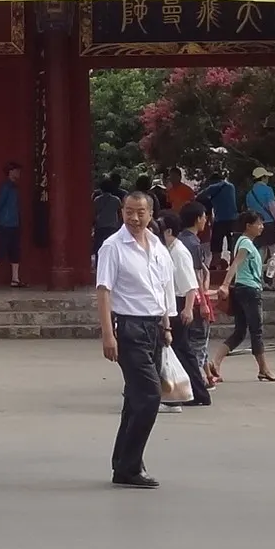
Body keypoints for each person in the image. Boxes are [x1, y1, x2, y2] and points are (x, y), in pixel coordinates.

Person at [94, 189, 177, 487]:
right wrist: (107, 333)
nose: (134, 218)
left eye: (140, 212)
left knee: (134, 398)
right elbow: (104, 290)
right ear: (122, 213)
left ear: (151, 213)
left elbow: (161, 288)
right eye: (129, 211)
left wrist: (166, 325)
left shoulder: (156, 245)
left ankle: (124, 463)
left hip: (154, 327)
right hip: (129, 327)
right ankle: (130, 465)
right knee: (150, 396)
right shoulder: (113, 247)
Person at [209, 210, 275, 384]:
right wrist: (224, 284)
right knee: (256, 330)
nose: (261, 227)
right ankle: (264, 369)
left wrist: (266, 266)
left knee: (240, 331)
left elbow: (248, 268)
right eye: (259, 223)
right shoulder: (246, 243)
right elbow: (235, 265)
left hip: (244, 287)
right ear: (249, 226)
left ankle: (216, 362)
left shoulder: (246, 244)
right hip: (249, 290)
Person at [168, 202, 213, 405]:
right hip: (180, 300)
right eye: (204, 217)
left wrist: (193, 305)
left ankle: (195, 391)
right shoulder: (191, 243)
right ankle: (196, 391)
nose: (206, 221)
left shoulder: (182, 247)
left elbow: (192, 280)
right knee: (182, 349)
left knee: (182, 349)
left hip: (181, 301)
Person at [0, 164, 23, 288]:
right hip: (5, 224)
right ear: (10, 172)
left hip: (14, 223)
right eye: (16, 171)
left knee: (15, 251)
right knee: (1, 250)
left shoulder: (14, 187)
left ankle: (15, 279)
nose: (18, 173)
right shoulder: (6, 187)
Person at [204, 164, 239, 260]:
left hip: (220, 220)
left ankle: (216, 266)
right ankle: (233, 266)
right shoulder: (231, 187)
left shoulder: (212, 188)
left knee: (216, 247)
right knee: (233, 247)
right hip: (233, 219)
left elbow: (201, 196)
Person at [91, 176, 124, 256]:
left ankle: (98, 264)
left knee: (99, 247)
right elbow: (120, 213)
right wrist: (119, 224)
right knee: (112, 247)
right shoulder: (116, 200)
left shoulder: (97, 200)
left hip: (100, 226)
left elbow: (94, 213)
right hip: (113, 226)